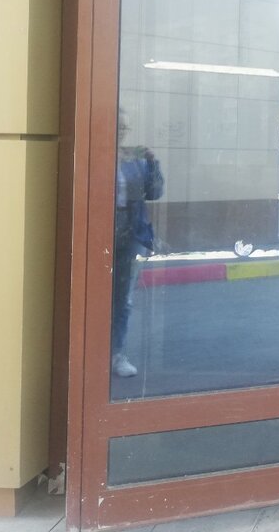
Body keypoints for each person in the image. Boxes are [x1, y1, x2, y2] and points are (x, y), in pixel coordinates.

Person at [112, 109, 164, 378]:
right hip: (101, 231)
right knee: (94, 295)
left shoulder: (134, 160)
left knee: (123, 299)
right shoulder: (96, 153)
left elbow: (154, 192)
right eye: (117, 126)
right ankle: (92, 351)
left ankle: (116, 354)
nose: (121, 132)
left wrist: (153, 164)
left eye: (125, 128)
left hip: (131, 234)